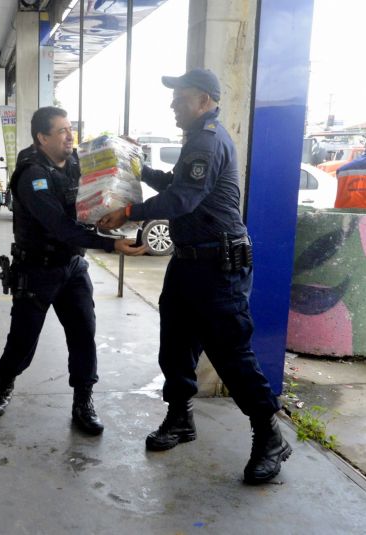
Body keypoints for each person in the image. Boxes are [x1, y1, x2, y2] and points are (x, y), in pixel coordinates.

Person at [98, 68, 291, 484]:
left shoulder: (207, 140)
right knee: (175, 348)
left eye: (180, 98)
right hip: (188, 264)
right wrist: (140, 167)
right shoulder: (197, 140)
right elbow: (176, 183)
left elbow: (183, 198)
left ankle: (269, 436)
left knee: (232, 357)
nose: (172, 104)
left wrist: (129, 211)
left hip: (218, 268)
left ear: (204, 100)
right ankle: (180, 419)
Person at [0, 106, 145, 436]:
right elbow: (59, 226)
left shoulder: (74, 162)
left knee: (83, 333)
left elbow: (103, 165)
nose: (69, 135)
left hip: (73, 267)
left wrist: (122, 150)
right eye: (62, 131)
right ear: (42, 137)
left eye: (71, 129)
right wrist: (110, 245)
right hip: (37, 269)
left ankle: (83, 401)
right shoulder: (32, 175)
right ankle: (5, 383)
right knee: (23, 339)